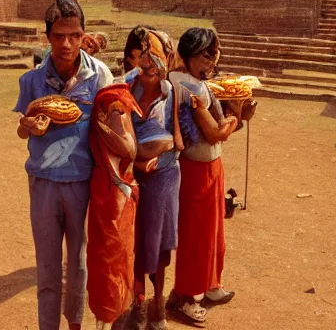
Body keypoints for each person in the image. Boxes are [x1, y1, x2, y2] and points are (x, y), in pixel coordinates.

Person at [14, 0, 113, 330]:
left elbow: (112, 129)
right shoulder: (31, 81)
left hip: (83, 183)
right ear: (47, 37)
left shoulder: (100, 77)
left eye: (74, 35)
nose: (67, 44)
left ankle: (75, 325)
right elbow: (21, 130)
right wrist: (29, 125)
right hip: (43, 182)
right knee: (47, 268)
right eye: (59, 36)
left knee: (79, 265)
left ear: (83, 34)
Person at [166, 28, 245, 324]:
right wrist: (235, 116)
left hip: (209, 167)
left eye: (214, 54)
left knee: (213, 231)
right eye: (205, 55)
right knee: (197, 234)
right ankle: (186, 295)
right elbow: (213, 133)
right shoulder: (190, 86)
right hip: (196, 169)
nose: (212, 61)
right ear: (188, 56)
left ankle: (210, 284)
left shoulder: (190, 80)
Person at [121, 28, 182, 330]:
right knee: (133, 244)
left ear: (167, 62)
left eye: (154, 67)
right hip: (131, 180)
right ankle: (137, 303)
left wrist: (165, 153)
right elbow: (112, 135)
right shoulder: (124, 91)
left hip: (162, 180)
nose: (148, 73)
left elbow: (185, 139)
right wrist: (136, 162)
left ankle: (157, 304)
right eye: (142, 67)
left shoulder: (174, 96)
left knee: (158, 248)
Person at [86, 83, 142, 329]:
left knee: (120, 260)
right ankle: (106, 320)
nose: (123, 116)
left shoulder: (111, 112)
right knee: (108, 264)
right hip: (111, 199)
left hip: (118, 196)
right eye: (118, 113)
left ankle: (114, 318)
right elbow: (129, 149)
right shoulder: (110, 114)